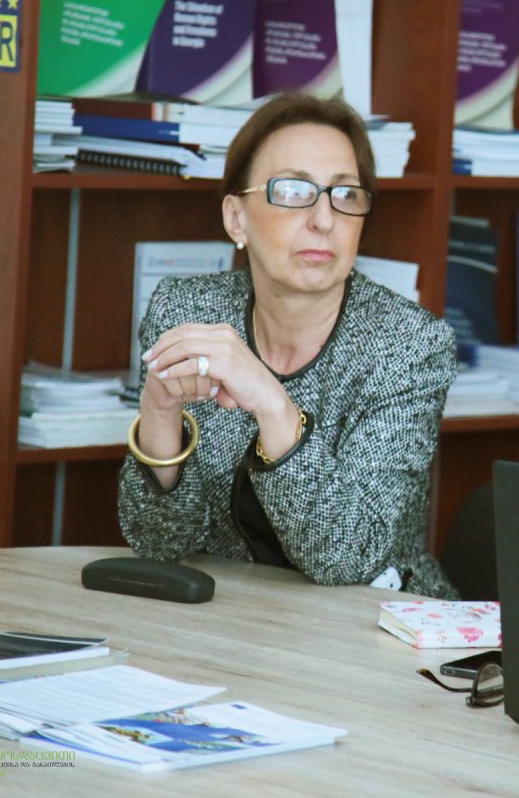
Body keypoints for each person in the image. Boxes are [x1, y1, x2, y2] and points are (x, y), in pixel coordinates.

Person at [119, 92, 457, 598]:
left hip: (376, 620)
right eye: (294, 190)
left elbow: (348, 558)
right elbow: (159, 542)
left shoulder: (408, 344)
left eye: (346, 195)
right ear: (236, 218)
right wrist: (158, 416)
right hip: (231, 611)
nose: (324, 219)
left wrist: (272, 404)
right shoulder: (187, 312)